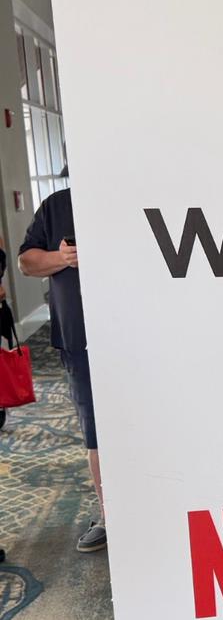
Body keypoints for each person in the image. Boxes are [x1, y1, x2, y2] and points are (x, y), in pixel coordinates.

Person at [18, 183, 107, 552]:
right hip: (78, 337)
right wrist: (63, 258)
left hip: (137, 335)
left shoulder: (129, 190)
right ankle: (109, 514)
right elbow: (26, 262)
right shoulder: (56, 205)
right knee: (94, 430)